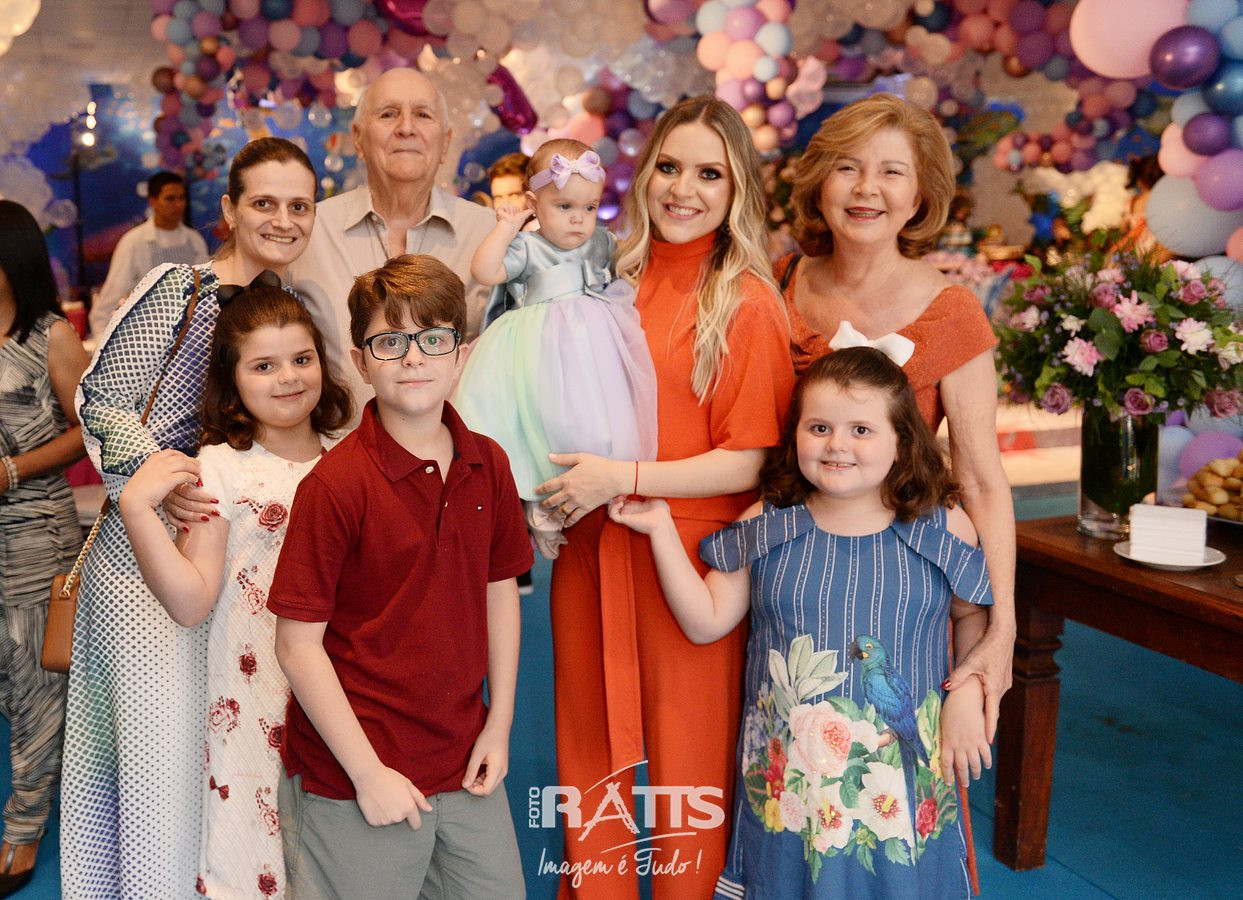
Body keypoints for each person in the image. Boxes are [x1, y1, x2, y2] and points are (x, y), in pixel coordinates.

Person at [610, 347, 994, 898]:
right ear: (795, 437)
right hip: (793, 793)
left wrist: (967, 693)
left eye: (861, 429)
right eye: (819, 427)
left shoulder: (942, 528)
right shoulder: (769, 524)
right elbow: (706, 621)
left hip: (903, 787)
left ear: (902, 441)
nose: (837, 444)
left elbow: (973, 614)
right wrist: (661, 529)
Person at [533, 96, 796, 898]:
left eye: (709, 174)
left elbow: (750, 460)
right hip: (593, 547)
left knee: (691, 776)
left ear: (737, 189)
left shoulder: (746, 301)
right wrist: (545, 496)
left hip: (691, 563)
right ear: (645, 174)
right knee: (589, 769)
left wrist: (625, 479)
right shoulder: (605, 280)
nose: (683, 189)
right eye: (670, 167)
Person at [62, 136, 318, 898]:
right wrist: (160, 479)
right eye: (264, 203)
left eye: (298, 205)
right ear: (230, 209)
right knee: (161, 768)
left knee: (225, 760)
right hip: (146, 561)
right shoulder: (180, 287)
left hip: (232, 561)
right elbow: (99, 397)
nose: (282, 219)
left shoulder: (289, 304)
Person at [268, 254, 531, 899]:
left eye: (433, 338)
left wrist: (498, 726)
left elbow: (500, 593)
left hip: (464, 761)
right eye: (390, 341)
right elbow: (297, 646)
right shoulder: (336, 486)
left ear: (460, 354)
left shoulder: (489, 463)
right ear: (361, 362)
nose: (413, 358)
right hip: (356, 771)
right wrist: (367, 774)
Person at [774, 93, 1016, 735]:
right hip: (781, 577)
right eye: (848, 167)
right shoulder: (774, 285)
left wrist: (1003, 626)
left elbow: (982, 481)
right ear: (819, 181)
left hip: (900, 591)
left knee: (889, 752)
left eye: (891, 171)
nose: (866, 188)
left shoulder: (952, 312)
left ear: (919, 197)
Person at [117, 285, 351, 898]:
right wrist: (137, 510)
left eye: (301, 359)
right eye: (263, 366)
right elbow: (191, 601)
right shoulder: (221, 466)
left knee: (341, 849)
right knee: (254, 851)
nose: (288, 378)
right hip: (254, 696)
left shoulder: (351, 459)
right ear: (233, 379)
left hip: (346, 684)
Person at [456, 138, 657, 559]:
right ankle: (544, 501)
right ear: (534, 203)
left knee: (597, 417)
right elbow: (485, 271)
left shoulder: (602, 242)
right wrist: (508, 228)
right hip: (541, 353)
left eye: (589, 207)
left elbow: (632, 268)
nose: (579, 219)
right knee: (542, 423)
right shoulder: (528, 246)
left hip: (594, 350)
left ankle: (602, 484)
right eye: (564, 206)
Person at [290, 67, 495, 418]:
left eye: (423, 115)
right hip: (334, 448)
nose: (406, 128)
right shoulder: (308, 231)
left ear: (446, 142)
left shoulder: (492, 234)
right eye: (388, 114)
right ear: (358, 139)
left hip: (459, 449)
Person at [0, 200, 90, 896]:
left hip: (34, 530)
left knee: (35, 681)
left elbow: (90, 432)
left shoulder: (51, 335)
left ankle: (24, 831)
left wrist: (12, 469)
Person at [90, 171, 209, 338]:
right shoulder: (134, 242)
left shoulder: (194, 241)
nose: (178, 205)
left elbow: (206, 294)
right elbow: (105, 306)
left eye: (181, 198)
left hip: (191, 337)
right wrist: (103, 347)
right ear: (153, 201)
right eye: (170, 199)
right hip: (147, 337)